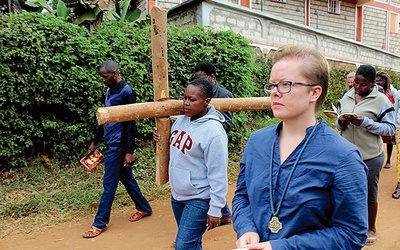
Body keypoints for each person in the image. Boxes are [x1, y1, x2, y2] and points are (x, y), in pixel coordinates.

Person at [232, 44, 368, 250]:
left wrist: (282, 247)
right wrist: (247, 229)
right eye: (272, 85)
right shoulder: (256, 143)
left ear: (314, 92)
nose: (275, 92)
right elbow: (242, 197)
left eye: (286, 84)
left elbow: (351, 233)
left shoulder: (343, 157)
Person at [153, 78, 228, 250]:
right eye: (185, 98)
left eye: (192, 100)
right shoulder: (181, 120)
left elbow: (218, 173)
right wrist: (160, 137)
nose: (186, 103)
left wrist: (216, 208)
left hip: (199, 198)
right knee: (191, 243)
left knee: (184, 245)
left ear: (206, 102)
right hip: (178, 195)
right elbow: (175, 146)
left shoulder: (214, 133)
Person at [82, 60, 152, 238]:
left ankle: (99, 223)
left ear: (114, 74)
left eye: (105, 77)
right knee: (126, 178)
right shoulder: (108, 91)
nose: (103, 80)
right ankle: (144, 207)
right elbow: (105, 118)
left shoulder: (127, 92)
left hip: (119, 146)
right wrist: (95, 140)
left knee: (109, 184)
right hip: (109, 142)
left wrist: (129, 151)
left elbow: (130, 125)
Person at [337, 64, 396, 244]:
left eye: (363, 84)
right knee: (345, 192)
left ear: (372, 84)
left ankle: (371, 228)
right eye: (356, 83)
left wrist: (366, 123)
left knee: (369, 193)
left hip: (370, 156)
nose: (358, 87)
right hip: (347, 156)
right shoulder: (346, 96)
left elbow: (390, 128)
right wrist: (341, 123)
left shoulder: (382, 100)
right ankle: (349, 225)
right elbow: (338, 120)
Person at [194, 61, 233, 225]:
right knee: (207, 179)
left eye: (202, 78)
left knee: (212, 178)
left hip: (214, 145)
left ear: (212, 77)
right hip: (199, 144)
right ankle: (224, 213)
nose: (199, 83)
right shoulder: (198, 94)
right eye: (196, 79)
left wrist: (208, 128)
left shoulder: (224, 95)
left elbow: (227, 124)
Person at [375, 70, 397, 169]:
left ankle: (388, 160)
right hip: (377, 117)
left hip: (388, 118)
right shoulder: (374, 91)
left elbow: (396, 107)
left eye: (380, 80)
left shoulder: (392, 92)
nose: (378, 82)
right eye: (376, 80)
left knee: (388, 140)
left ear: (385, 81)